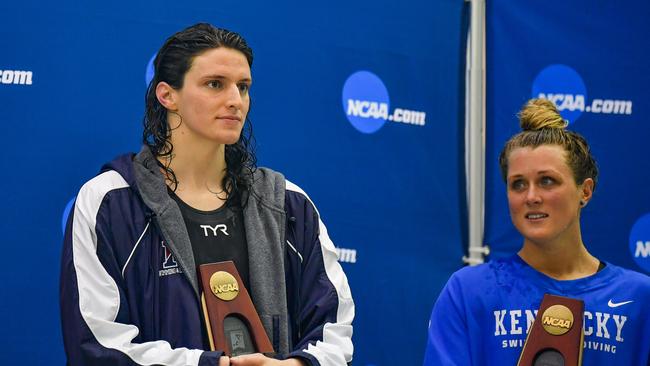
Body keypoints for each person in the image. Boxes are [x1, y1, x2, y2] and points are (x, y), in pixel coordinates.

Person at [60, 23, 354, 366]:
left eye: (243, 87)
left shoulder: (288, 204)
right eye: (215, 84)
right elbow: (97, 343)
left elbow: (334, 330)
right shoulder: (110, 202)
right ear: (167, 95)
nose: (235, 101)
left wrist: (297, 365)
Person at [423, 98, 650, 365]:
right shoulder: (468, 291)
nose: (531, 196)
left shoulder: (638, 297)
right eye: (518, 184)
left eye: (547, 181)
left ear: (585, 191)